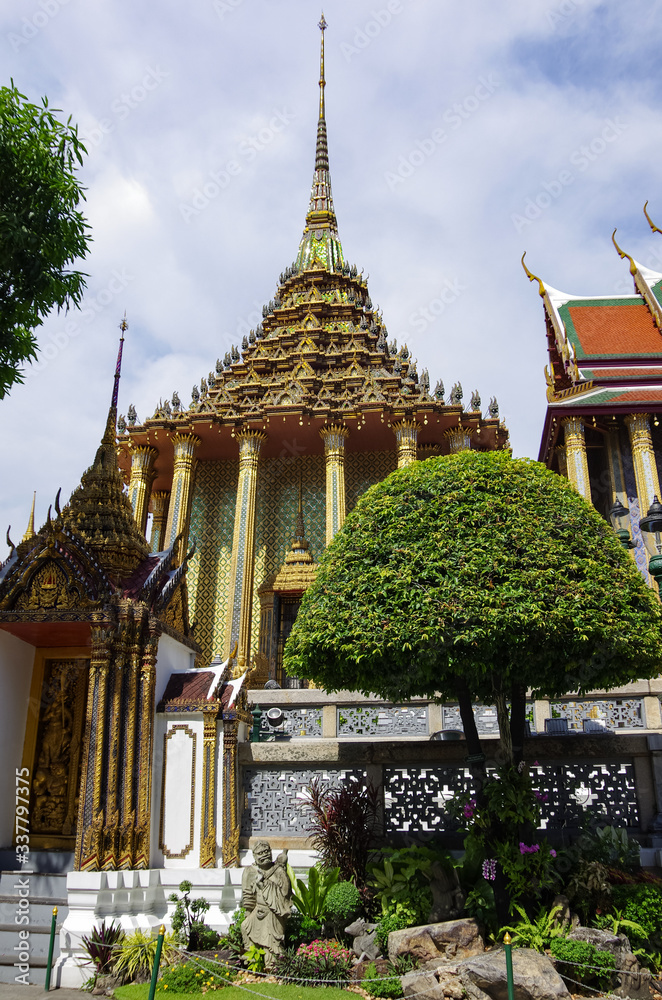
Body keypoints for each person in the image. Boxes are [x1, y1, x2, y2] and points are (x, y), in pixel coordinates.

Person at [241, 840, 291, 964]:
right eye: (260, 853)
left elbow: (285, 892)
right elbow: (248, 894)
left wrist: (265, 884)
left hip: (274, 912)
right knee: (245, 927)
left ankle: (272, 965)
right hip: (258, 909)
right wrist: (249, 911)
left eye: (267, 851)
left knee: (272, 943)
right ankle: (252, 960)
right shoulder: (250, 871)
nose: (264, 855)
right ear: (254, 856)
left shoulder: (278, 871)